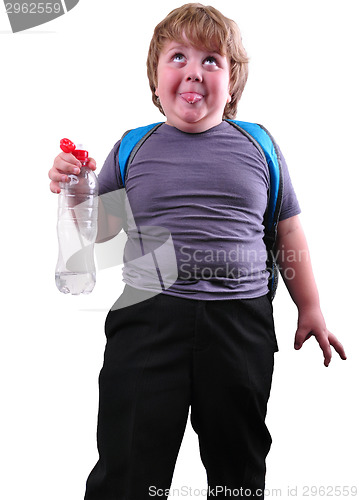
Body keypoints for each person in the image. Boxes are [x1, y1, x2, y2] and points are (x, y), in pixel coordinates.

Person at [48, 3, 347, 499]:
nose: (194, 70)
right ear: (155, 76)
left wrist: (310, 307)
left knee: (238, 464)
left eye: (212, 61)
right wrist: (74, 192)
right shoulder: (132, 147)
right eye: (178, 57)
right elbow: (98, 231)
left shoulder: (259, 144)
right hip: (147, 322)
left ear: (232, 83)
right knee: (130, 459)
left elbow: (287, 231)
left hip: (240, 324)